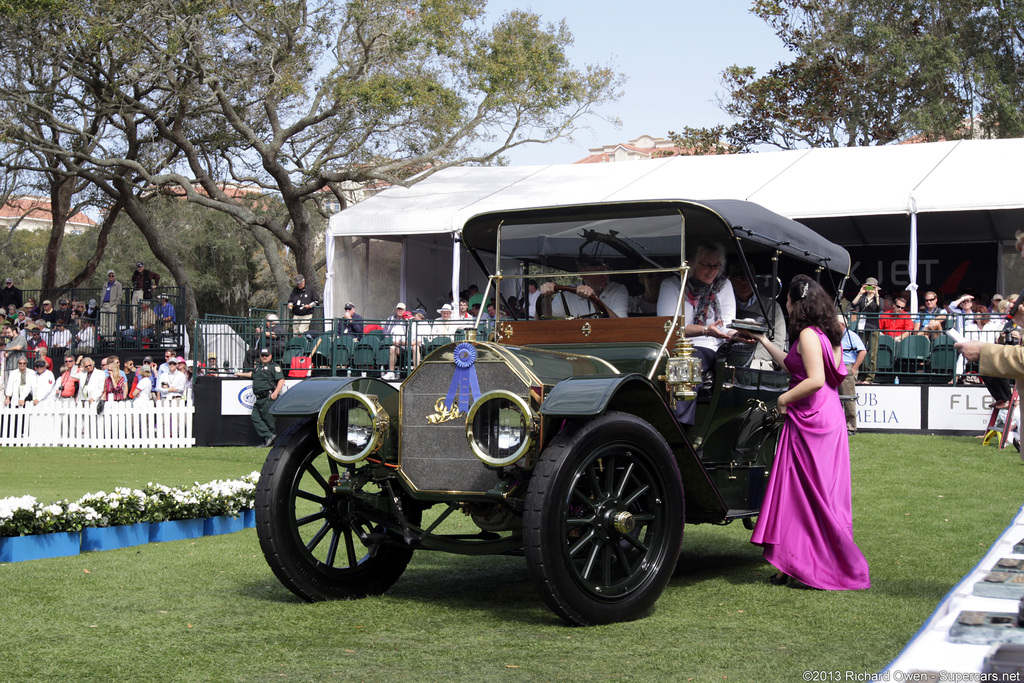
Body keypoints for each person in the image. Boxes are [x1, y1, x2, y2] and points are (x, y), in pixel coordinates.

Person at [744, 275, 870, 591]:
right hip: (822, 417)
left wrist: (782, 400)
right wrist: (762, 340)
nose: (785, 306)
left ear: (795, 302)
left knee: (808, 495)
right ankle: (793, 564)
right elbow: (795, 367)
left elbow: (813, 379)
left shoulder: (809, 336)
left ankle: (812, 565)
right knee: (805, 495)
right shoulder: (826, 336)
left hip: (812, 419)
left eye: (787, 300)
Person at [657, 242, 739, 423]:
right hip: (672, 346)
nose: (712, 271)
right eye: (706, 265)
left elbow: (725, 324)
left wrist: (737, 335)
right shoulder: (672, 284)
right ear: (692, 264)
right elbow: (670, 327)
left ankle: (679, 429)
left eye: (716, 266)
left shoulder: (724, 285)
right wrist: (705, 330)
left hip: (706, 348)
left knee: (686, 366)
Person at [539, 258, 629, 318]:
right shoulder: (567, 293)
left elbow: (620, 325)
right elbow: (547, 322)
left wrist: (595, 300)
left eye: (607, 270)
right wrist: (547, 298)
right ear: (583, 274)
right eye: (600, 270)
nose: (606, 275)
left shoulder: (618, 290)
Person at [234, 347, 285, 447]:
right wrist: (240, 373)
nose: (264, 357)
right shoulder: (258, 367)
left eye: (266, 355)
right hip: (259, 398)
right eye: (262, 355)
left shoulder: (274, 367)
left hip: (268, 397)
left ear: (270, 356)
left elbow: (281, 380)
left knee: (269, 421)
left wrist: (275, 393)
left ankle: (269, 441)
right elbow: (252, 374)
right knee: (255, 417)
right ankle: (269, 437)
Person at [850, 277, 882, 384]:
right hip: (862, 327)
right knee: (861, 351)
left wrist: (876, 294)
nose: (869, 289)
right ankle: (863, 376)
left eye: (872, 287)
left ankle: (870, 378)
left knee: (872, 353)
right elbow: (853, 304)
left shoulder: (879, 299)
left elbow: (879, 308)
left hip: (873, 327)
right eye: (868, 286)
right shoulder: (862, 298)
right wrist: (860, 293)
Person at [838, 316, 866, 435]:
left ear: (842, 325)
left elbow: (863, 351)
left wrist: (854, 369)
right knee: (835, 398)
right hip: (836, 367)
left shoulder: (851, 336)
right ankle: (838, 425)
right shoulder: (833, 336)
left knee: (848, 398)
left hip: (847, 367)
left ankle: (851, 427)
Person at [100, 269, 123, 338]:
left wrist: (116, 303)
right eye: (109, 275)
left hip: (112, 304)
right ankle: (105, 339)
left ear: (114, 276)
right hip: (104, 305)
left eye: (112, 275)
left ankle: (111, 340)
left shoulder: (118, 284)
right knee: (103, 324)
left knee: (112, 323)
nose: (111, 277)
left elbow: (120, 295)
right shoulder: (105, 284)